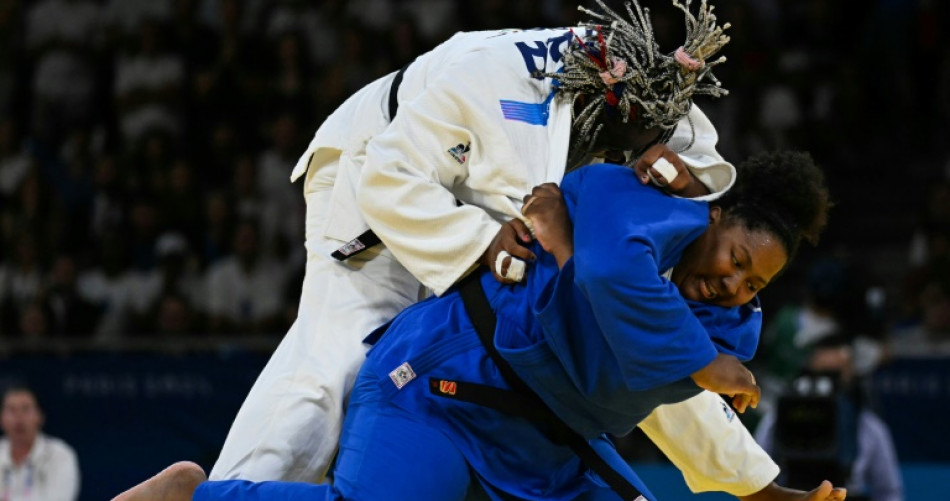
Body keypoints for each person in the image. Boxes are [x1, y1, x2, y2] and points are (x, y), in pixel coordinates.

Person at [211, 0, 800, 499]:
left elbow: (648, 334)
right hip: (377, 170)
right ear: (603, 114)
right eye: (636, 156)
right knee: (336, 362)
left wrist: (749, 481)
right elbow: (388, 178)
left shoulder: (664, 125)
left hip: (499, 204)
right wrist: (481, 244)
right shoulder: (497, 86)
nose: (644, 172)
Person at [112, 150, 843, 501]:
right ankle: (190, 497)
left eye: (757, 282)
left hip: (550, 440)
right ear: (714, 216)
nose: (734, 283)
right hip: (445, 383)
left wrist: (775, 496)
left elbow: (672, 391)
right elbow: (608, 276)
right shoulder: (647, 204)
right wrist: (702, 361)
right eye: (736, 257)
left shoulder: (733, 326)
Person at [755, 336, 902, 501]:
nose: (828, 382)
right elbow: (755, 478)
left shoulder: (868, 426)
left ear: (851, 375)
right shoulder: (777, 419)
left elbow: (888, 492)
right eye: (822, 373)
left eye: (835, 375)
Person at [0, 385, 81, 501]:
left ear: (40, 416)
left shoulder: (60, 454)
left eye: (25, 409)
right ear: (1, 418)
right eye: (12, 410)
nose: (19, 418)